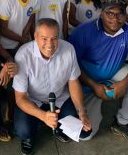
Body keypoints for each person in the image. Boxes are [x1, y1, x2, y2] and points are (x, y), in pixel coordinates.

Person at [69, 0, 128, 145]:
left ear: (125, 14)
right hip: (87, 81)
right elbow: (71, 65)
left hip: (114, 72)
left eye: (120, 14)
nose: (114, 19)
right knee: (85, 135)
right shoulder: (84, 31)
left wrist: (124, 83)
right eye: (109, 13)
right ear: (101, 13)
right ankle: (92, 104)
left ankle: (123, 122)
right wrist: (94, 86)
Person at [14, 18, 92, 155]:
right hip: (33, 100)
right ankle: (33, 132)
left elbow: (73, 82)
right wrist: (43, 116)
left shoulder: (68, 49)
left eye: (54, 38)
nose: (50, 44)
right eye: (44, 38)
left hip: (60, 98)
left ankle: (58, 127)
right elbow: (20, 98)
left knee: (84, 131)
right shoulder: (23, 55)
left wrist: (82, 112)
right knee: (23, 131)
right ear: (35, 36)